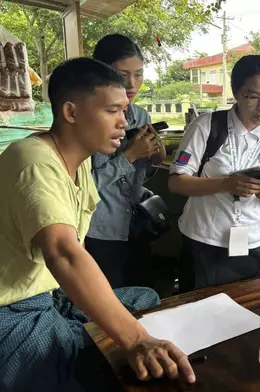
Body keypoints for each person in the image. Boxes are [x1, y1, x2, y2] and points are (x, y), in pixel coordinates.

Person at [0, 58, 194, 391]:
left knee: (144, 297)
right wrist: (135, 340)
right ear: (71, 112)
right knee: (77, 367)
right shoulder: (32, 162)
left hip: (52, 295)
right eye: (111, 111)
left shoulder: (79, 164)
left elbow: (77, 243)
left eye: (124, 111)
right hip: (11, 309)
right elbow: (63, 251)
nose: (124, 122)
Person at [168, 55, 260, 292]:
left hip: (254, 243)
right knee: (201, 314)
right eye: (253, 97)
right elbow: (176, 182)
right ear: (236, 92)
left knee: (253, 313)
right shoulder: (207, 126)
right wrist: (226, 184)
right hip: (205, 242)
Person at [85, 34, 166, 289]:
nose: (132, 84)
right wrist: (130, 155)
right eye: (122, 75)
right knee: (104, 309)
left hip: (136, 225)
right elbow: (84, 189)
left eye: (139, 74)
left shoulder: (140, 114)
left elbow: (139, 176)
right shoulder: (84, 119)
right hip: (100, 231)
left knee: (141, 299)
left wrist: (154, 156)